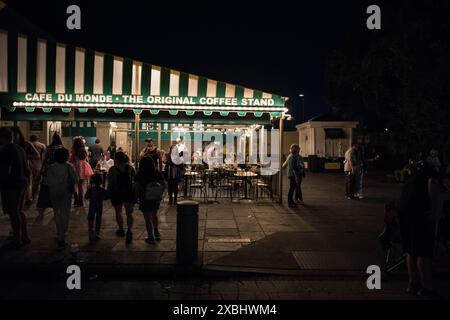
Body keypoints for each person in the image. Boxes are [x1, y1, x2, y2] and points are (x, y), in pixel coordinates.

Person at [398, 161, 439, 298]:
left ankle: (413, 283)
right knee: (424, 252)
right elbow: (432, 182)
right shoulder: (432, 172)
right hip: (419, 213)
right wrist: (433, 210)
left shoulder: (415, 173)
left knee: (411, 250)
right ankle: (427, 288)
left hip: (405, 210)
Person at [0, 127, 30, 247]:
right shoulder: (20, 149)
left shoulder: (5, 151)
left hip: (11, 185)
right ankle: (25, 236)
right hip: (22, 183)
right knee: (19, 211)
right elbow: (26, 168)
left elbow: (4, 170)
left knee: (13, 212)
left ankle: (17, 238)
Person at [44, 147, 78, 249]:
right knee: (65, 213)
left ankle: (59, 231)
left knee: (56, 212)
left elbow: (47, 181)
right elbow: (75, 179)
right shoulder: (69, 166)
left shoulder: (51, 167)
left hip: (54, 191)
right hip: (66, 192)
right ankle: (62, 236)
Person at [107, 151, 136, 244]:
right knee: (129, 213)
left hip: (117, 192)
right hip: (129, 192)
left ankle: (121, 229)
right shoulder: (130, 168)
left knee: (118, 212)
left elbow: (110, 183)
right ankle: (129, 230)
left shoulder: (112, 170)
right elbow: (135, 180)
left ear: (116, 159)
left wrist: (109, 193)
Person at [136, 157, 166, 244]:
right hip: (155, 197)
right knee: (154, 214)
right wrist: (160, 192)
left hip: (144, 197)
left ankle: (150, 236)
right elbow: (163, 184)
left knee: (147, 218)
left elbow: (137, 186)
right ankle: (156, 232)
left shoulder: (140, 173)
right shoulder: (156, 172)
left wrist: (137, 196)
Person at [36, 133, 64, 217]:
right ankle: (57, 207)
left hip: (49, 171)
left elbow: (45, 160)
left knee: (45, 189)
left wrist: (41, 170)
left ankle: (42, 207)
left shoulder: (49, 148)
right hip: (59, 171)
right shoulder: (61, 148)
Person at [10, 127, 40, 204]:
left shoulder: (26, 144)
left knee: (24, 190)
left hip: (24, 168)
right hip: (11, 171)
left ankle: (26, 200)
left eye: (14, 135)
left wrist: (23, 156)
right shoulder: (8, 145)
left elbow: (37, 155)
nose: (13, 137)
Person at [85, 173, 109, 242]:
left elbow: (86, 196)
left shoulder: (90, 189)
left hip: (92, 206)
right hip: (99, 206)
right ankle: (96, 233)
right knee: (98, 219)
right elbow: (106, 197)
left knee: (90, 218)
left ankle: (90, 231)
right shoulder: (102, 189)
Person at [70, 137, 93, 207]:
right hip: (83, 166)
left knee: (74, 183)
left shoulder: (73, 150)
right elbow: (86, 158)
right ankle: (81, 201)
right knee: (81, 185)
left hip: (76, 166)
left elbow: (72, 159)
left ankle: (76, 198)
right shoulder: (84, 149)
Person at [29, 135, 46, 200]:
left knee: (30, 182)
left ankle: (29, 196)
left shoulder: (28, 145)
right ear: (37, 139)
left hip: (29, 164)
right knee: (37, 181)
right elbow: (44, 156)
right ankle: (34, 196)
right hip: (39, 164)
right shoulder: (42, 145)